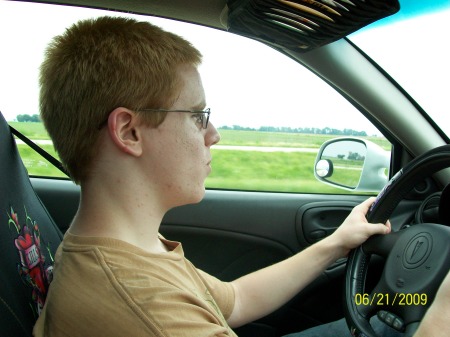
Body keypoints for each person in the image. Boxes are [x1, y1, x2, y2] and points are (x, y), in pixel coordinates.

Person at [32, 16, 447, 337]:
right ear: (130, 131)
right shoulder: (141, 304)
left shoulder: (131, 251)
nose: (213, 135)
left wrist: (337, 242)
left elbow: (237, 299)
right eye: (198, 115)